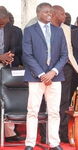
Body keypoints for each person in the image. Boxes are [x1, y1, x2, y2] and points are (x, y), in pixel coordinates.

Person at [22, 3, 68, 150]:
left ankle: (54, 143)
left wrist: (53, 72)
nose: (50, 14)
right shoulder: (29, 31)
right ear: (38, 13)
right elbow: (27, 55)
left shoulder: (58, 31)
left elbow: (64, 55)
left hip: (55, 77)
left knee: (54, 111)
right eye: (47, 12)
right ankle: (30, 143)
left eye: (51, 12)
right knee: (33, 111)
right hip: (36, 77)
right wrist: (42, 74)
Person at [50, 5, 78, 143]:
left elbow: (70, 50)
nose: (65, 17)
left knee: (64, 102)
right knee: (49, 103)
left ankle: (63, 134)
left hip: (66, 68)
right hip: (49, 70)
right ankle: (48, 135)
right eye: (63, 14)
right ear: (55, 14)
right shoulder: (44, 28)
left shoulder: (68, 29)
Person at [0, 5, 25, 143]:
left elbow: (19, 48)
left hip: (10, 68)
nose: (3, 25)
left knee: (8, 98)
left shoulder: (16, 31)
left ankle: (9, 133)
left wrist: (10, 55)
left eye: (4, 22)